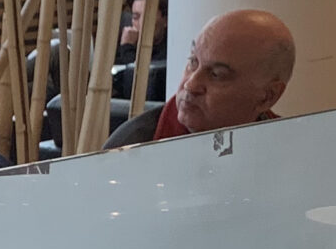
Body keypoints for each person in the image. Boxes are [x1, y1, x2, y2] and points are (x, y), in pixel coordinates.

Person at [105, 9, 295, 147]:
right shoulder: (132, 149)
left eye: (217, 75)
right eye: (193, 62)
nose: (191, 84)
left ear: (267, 96)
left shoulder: (292, 147)